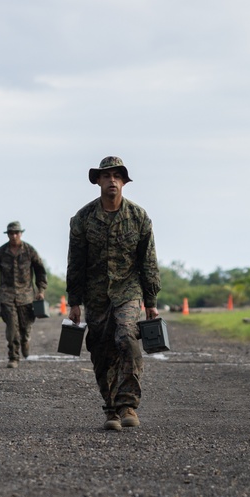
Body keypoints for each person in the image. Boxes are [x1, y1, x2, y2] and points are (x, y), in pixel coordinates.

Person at [67, 156, 160, 431]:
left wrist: (151, 301)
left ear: (123, 182)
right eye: (106, 176)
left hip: (127, 291)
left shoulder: (139, 217)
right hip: (96, 295)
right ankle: (110, 409)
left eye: (117, 176)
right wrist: (74, 301)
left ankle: (128, 404)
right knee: (100, 350)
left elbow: (148, 262)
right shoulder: (82, 219)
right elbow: (76, 262)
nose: (112, 181)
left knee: (127, 337)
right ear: (97, 181)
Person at [0, 221, 48, 368]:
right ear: (8, 235)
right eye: (11, 233)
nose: (14, 236)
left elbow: (40, 271)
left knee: (25, 326)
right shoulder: (0, 252)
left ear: (21, 233)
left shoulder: (30, 251)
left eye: (16, 233)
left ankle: (25, 340)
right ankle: (13, 356)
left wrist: (41, 291)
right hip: (6, 295)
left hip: (27, 296)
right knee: (12, 327)